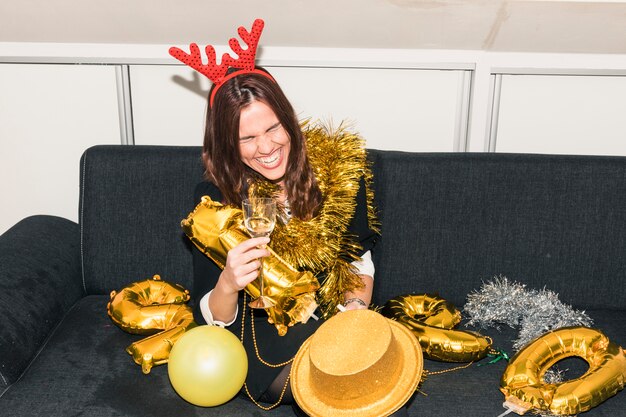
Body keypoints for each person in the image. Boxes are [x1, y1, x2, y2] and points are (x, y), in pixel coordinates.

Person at [190, 66, 380, 413]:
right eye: (246, 139)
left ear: (287, 119)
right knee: (334, 387)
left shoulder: (339, 172)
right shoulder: (215, 200)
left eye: (272, 128)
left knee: (375, 379)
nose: (266, 147)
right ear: (228, 144)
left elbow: (357, 259)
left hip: (332, 316)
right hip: (264, 333)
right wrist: (229, 282)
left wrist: (355, 311)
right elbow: (209, 319)